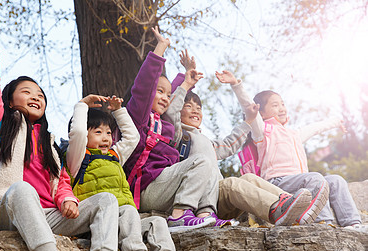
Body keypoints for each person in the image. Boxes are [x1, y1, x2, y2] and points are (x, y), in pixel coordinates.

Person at [0, 1, 150, 251]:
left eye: (40, 94)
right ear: (11, 101)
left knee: (107, 200)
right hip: (6, 212)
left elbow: (61, 181)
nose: (35, 97)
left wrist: (67, 200)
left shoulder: (48, 143)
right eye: (26, 92)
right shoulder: (1, 126)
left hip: (46, 215)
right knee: (23, 189)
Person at [165, 52, 316, 226]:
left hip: (216, 196)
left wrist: (249, 121)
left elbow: (229, 144)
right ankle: (277, 209)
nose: (195, 110)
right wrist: (185, 83)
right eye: (188, 106)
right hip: (197, 199)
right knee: (232, 184)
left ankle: (292, 204)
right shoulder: (177, 135)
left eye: (198, 108)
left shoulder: (207, 142)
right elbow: (171, 112)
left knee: (250, 178)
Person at [219, 69, 363, 229]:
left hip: (301, 182)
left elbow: (315, 128)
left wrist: (336, 121)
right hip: (278, 182)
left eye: (282, 104)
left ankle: (353, 224)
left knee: (336, 180)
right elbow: (249, 108)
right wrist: (236, 85)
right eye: (275, 105)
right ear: (262, 112)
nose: (281, 108)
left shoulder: (294, 134)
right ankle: (322, 224)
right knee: (315, 178)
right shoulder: (262, 131)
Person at [65, 95, 182, 251]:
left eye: (108, 133)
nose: (105, 138)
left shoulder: (114, 156)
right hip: (100, 222)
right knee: (128, 210)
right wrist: (81, 106)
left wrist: (119, 111)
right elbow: (78, 133)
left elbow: (132, 137)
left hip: (127, 223)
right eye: (98, 132)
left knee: (156, 222)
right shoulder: (78, 159)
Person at [123, 27, 221, 232]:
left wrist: (186, 80)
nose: (166, 97)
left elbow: (174, 100)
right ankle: (179, 215)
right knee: (200, 161)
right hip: (146, 188)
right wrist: (160, 47)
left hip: (165, 185)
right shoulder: (139, 117)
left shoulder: (166, 124)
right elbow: (144, 86)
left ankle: (205, 213)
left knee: (209, 164)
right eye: (159, 92)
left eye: (168, 94)